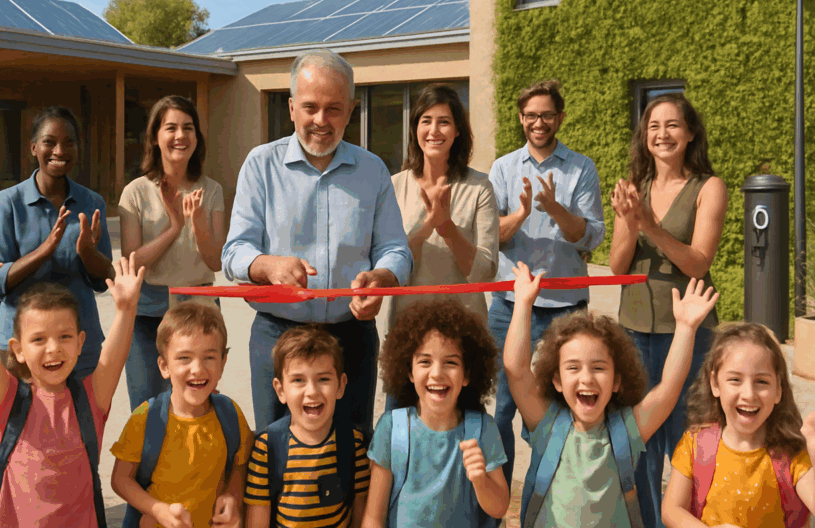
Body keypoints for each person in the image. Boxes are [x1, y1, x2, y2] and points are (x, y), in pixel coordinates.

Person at [223, 48, 412, 436]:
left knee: (353, 450)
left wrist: (382, 278)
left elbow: (396, 250)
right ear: (292, 108)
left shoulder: (373, 170)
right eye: (310, 107)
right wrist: (269, 266)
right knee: (276, 451)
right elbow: (235, 252)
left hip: (352, 338)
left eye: (334, 109)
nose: (321, 120)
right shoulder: (260, 165)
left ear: (351, 110)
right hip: (278, 336)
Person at [503, 263, 717, 528]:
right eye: (573, 367)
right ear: (556, 380)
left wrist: (685, 328)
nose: (587, 378)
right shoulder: (546, 423)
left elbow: (668, 389)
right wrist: (523, 303)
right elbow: (516, 370)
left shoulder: (625, 430)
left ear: (617, 381)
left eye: (598, 367)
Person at [0, 241, 142, 527]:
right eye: (38, 339)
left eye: (65, 337)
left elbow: (113, 359)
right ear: (18, 349)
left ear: (80, 343)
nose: (53, 348)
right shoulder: (8, 398)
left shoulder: (90, 398)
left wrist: (126, 309)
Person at [609, 93, 727, 528]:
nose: (662, 134)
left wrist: (652, 227)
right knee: (639, 439)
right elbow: (618, 266)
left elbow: (698, 262)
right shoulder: (634, 187)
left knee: (687, 438)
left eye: (672, 125)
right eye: (654, 126)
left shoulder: (709, 188)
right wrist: (629, 221)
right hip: (634, 329)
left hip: (689, 332)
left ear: (690, 133)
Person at [487, 79, 605, 487]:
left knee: (557, 408)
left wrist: (555, 208)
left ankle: (551, 494)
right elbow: (491, 235)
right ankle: (498, 499)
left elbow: (590, 237)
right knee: (501, 409)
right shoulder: (503, 168)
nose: (539, 123)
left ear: (560, 117)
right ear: (521, 118)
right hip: (509, 306)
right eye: (531, 115)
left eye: (547, 115)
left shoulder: (581, 168)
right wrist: (521, 214)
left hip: (565, 309)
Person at [662, 323, 815, 528]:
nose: (749, 394)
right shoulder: (695, 445)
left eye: (761, 382)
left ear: (778, 390)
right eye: (735, 379)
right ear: (715, 384)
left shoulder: (791, 453)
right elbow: (671, 510)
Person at [0, 106, 114, 379]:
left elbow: (104, 281)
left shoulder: (92, 202)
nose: (59, 151)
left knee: (85, 410)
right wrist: (43, 251)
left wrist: (87, 252)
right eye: (49, 142)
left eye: (69, 143)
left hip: (80, 347)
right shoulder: (8, 203)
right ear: (33, 147)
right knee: (21, 410)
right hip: (23, 351)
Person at [119, 95, 225, 409]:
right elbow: (132, 262)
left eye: (188, 128)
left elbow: (215, 261)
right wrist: (175, 226)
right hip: (146, 312)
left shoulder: (212, 190)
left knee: (196, 403)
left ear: (197, 137)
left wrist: (198, 221)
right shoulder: (135, 192)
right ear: (155, 137)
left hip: (200, 309)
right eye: (171, 128)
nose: (180, 135)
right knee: (147, 407)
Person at [364, 298, 509, 528]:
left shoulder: (483, 429)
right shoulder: (391, 428)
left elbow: (499, 507)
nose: (437, 373)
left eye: (450, 362)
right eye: (425, 361)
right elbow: (373, 517)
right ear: (409, 372)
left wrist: (481, 480)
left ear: (467, 375)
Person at [112, 302, 252, 528]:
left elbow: (239, 463)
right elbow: (120, 479)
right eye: (184, 358)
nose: (197, 369)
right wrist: (156, 509)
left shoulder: (230, 414)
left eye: (209, 357)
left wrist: (232, 495)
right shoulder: (146, 419)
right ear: (164, 366)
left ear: (223, 363)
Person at [390, 83, 498, 322]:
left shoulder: (480, 187)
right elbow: (390, 263)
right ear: (415, 128)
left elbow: (484, 273)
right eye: (426, 121)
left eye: (444, 122)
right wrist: (427, 227)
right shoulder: (393, 186)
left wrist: (448, 230)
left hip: (464, 326)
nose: (434, 130)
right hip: (407, 326)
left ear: (457, 130)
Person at [245, 325, 370, 528]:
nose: (312, 391)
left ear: (340, 385)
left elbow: (360, 515)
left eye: (323, 379)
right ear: (280, 390)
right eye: (298, 380)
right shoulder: (266, 448)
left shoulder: (353, 443)